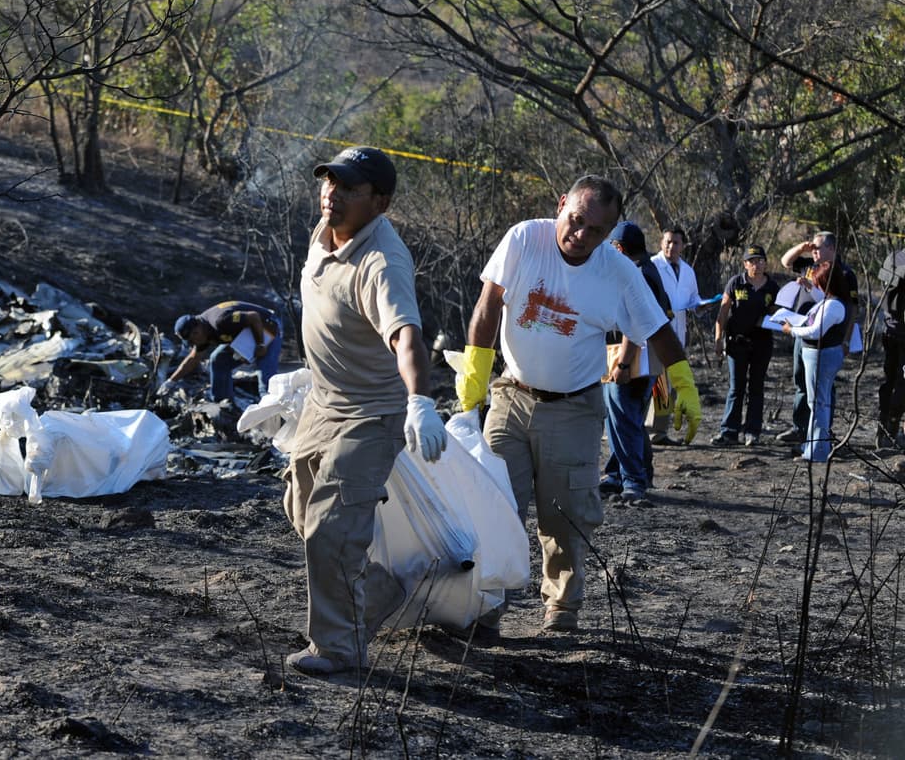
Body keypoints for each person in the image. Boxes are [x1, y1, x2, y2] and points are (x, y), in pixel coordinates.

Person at [454, 176, 701, 636]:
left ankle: (562, 605)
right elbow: (490, 302)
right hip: (512, 393)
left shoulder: (618, 272)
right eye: (575, 221)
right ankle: (486, 603)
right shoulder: (526, 238)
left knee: (564, 511)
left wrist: (682, 383)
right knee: (495, 505)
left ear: (609, 235)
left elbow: (657, 329)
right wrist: (475, 369)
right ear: (561, 204)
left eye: (595, 231)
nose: (580, 235)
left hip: (573, 406)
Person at [283, 145, 447, 676]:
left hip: (372, 413)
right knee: (302, 512)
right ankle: (375, 592)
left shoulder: (383, 261)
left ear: (380, 202)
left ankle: (337, 647)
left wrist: (420, 400)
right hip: (322, 403)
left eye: (349, 187)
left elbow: (406, 337)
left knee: (330, 527)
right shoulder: (325, 228)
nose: (331, 193)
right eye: (328, 181)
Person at [599, 222, 671, 503]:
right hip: (638, 356)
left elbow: (636, 324)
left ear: (619, 248)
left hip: (631, 357)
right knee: (626, 420)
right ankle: (617, 474)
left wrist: (624, 364)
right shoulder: (649, 269)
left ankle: (633, 481)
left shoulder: (638, 273)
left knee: (625, 420)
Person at [777, 232, 858, 444]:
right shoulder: (810, 265)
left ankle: (822, 433)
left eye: (818, 248)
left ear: (832, 248)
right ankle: (800, 428)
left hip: (827, 339)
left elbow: (852, 308)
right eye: (812, 249)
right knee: (801, 381)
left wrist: (847, 340)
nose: (814, 252)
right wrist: (802, 247)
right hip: (803, 334)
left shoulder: (845, 273)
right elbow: (786, 261)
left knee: (824, 387)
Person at [781, 261, 852, 462]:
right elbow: (821, 301)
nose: (816, 284)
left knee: (818, 404)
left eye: (818, 281)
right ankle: (814, 445)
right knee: (818, 403)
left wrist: (791, 330)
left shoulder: (835, 305)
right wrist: (809, 287)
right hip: (817, 355)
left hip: (822, 357)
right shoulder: (831, 300)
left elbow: (816, 331)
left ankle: (817, 452)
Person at [712, 245, 781, 447]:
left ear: (765, 263)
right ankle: (729, 431)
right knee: (736, 387)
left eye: (760, 260)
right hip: (737, 342)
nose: (756, 265)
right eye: (752, 261)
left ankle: (752, 432)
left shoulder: (772, 287)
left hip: (762, 343)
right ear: (745, 264)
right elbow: (723, 312)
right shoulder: (736, 283)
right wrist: (718, 338)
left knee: (756, 387)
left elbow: (778, 312)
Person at [649, 227, 705, 445]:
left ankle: (659, 429)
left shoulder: (688, 271)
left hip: (678, 333)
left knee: (670, 381)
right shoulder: (653, 266)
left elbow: (693, 298)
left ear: (683, 246)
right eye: (668, 242)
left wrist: (699, 307)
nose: (671, 247)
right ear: (661, 242)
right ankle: (654, 430)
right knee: (658, 380)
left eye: (676, 243)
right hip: (656, 332)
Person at [163, 301, 283, 401]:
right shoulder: (202, 333)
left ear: (198, 325)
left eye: (195, 335)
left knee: (266, 381)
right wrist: (170, 382)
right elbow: (194, 358)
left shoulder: (220, 321)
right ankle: (223, 404)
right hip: (244, 335)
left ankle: (275, 417)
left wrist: (260, 344)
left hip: (266, 327)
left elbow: (254, 316)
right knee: (218, 359)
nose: (196, 340)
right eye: (191, 339)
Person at [878, 249, 905, 451]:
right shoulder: (896, 259)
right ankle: (889, 428)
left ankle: (887, 430)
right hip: (896, 332)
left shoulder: (894, 257)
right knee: (897, 384)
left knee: (892, 382)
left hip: (891, 329)